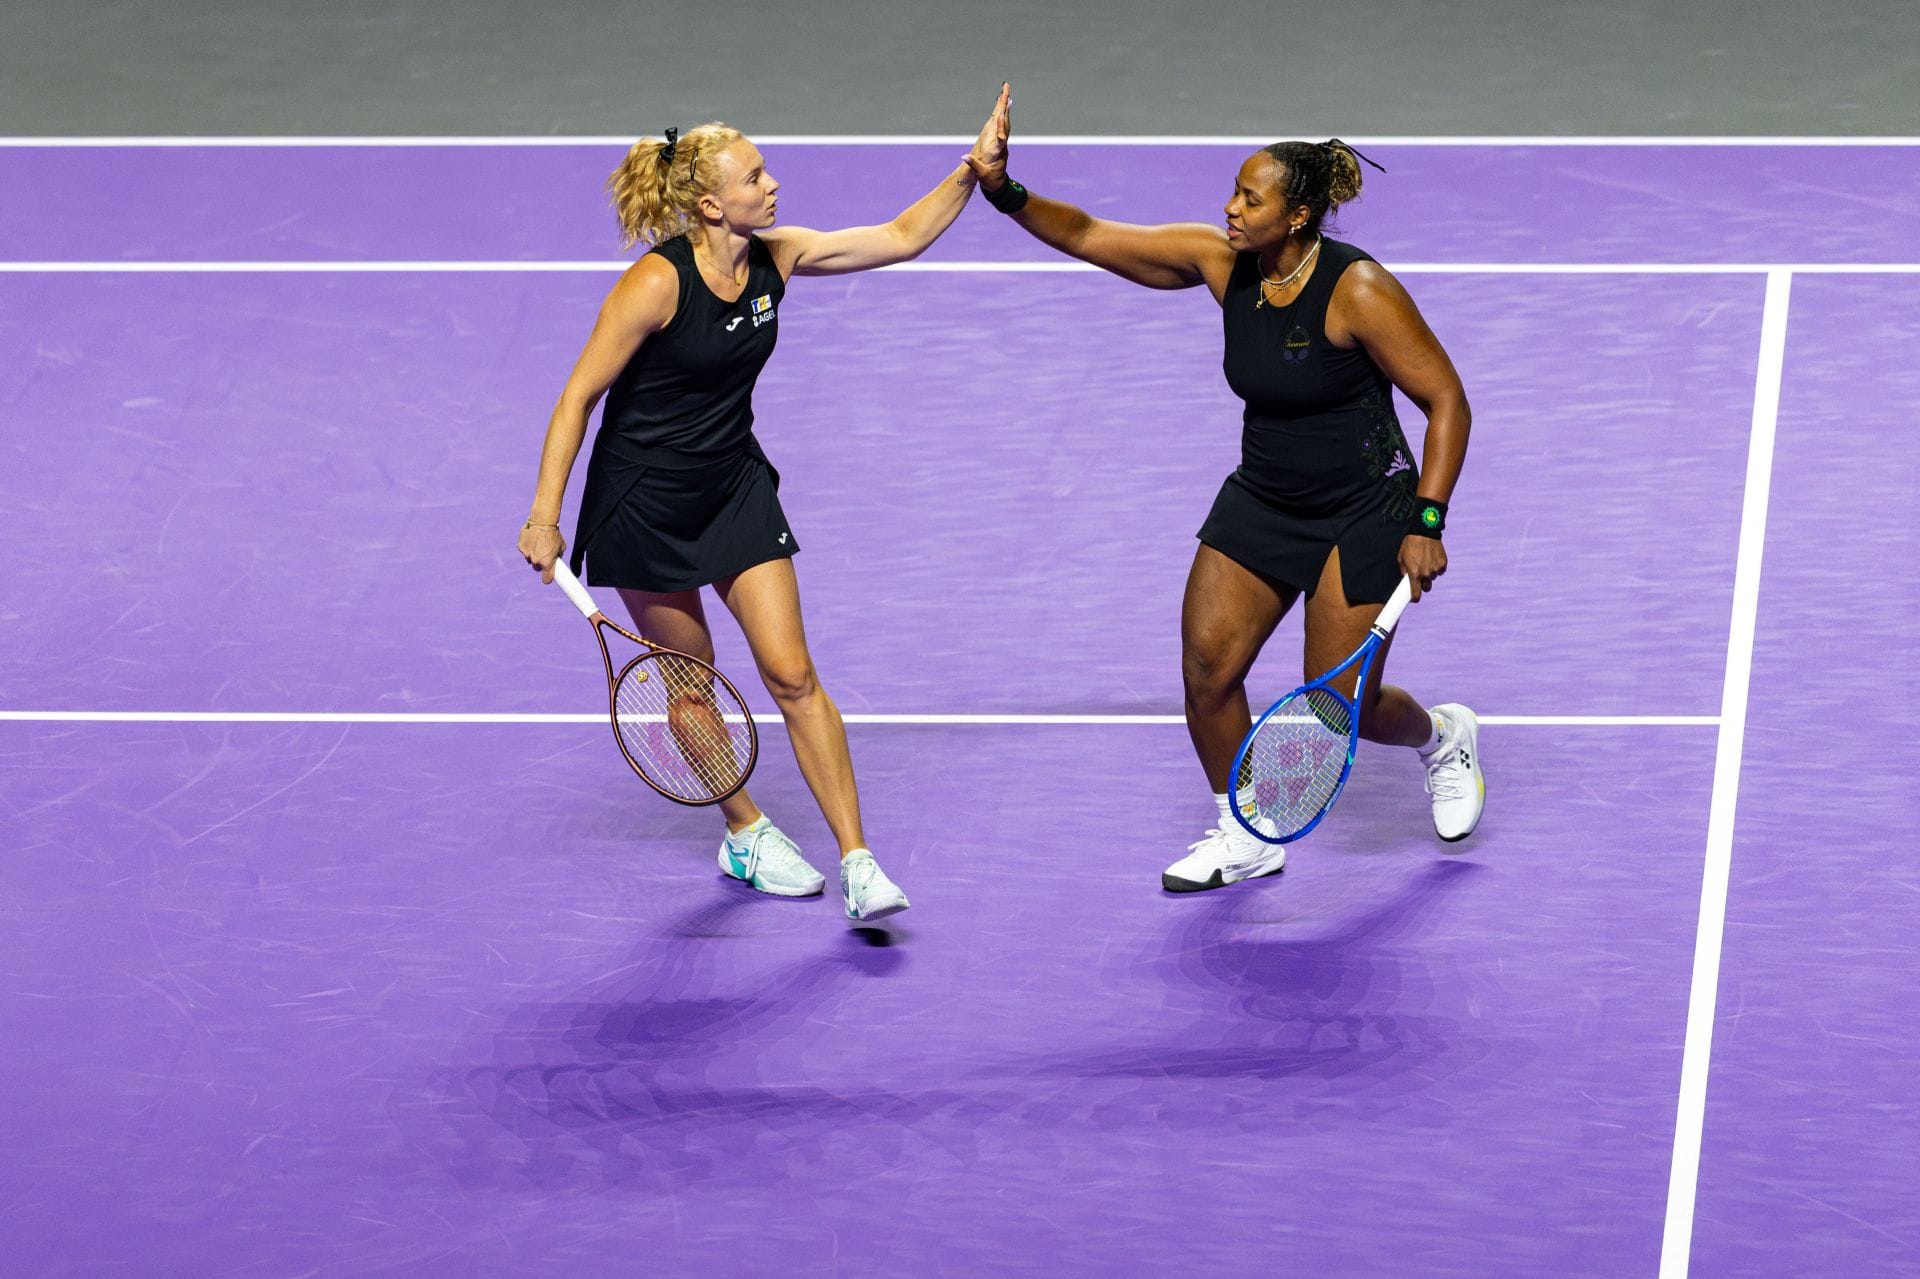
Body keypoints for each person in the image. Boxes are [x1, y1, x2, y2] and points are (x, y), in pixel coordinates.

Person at [519, 86, 1012, 922]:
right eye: (756, 176)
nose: (773, 184)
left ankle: (859, 862)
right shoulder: (654, 285)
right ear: (712, 203)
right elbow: (577, 399)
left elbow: (899, 238)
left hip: (733, 486)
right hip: (645, 506)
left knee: (792, 673)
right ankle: (743, 830)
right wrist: (544, 513)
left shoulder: (776, 259)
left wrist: (972, 172)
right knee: (692, 686)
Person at [964, 109, 1485, 892]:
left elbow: (1447, 400)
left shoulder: (1359, 289)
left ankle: (1443, 737)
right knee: (1207, 671)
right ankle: (1245, 832)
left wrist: (1428, 519)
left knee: (1340, 709)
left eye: (1250, 199)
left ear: (1297, 215)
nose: (1231, 210)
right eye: (1233, 194)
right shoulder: (1221, 262)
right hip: (1264, 499)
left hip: (1363, 510)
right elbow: (1089, 234)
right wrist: (1003, 189)